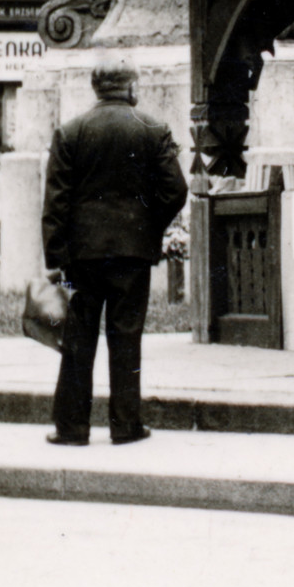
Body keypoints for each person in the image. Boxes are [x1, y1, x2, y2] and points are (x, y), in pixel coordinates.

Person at [41, 63, 188, 447]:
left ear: (96, 89)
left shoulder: (69, 132)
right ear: (131, 86)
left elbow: (55, 201)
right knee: (126, 337)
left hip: (80, 256)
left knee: (78, 338)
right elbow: (176, 191)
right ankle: (126, 425)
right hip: (132, 253)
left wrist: (56, 258)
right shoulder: (153, 129)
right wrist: (145, 227)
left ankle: (72, 427)